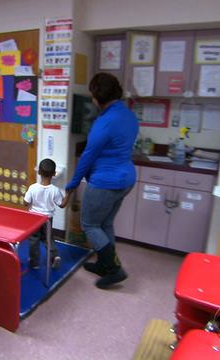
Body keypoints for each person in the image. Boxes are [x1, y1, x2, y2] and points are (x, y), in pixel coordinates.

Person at [65, 72, 138, 289]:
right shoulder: (128, 115)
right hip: (126, 179)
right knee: (104, 223)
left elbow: (87, 157)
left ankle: (114, 269)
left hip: (106, 181)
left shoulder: (103, 122)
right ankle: (104, 265)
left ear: (97, 97)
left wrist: (72, 184)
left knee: (90, 224)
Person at [24, 158, 71, 270]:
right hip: (47, 220)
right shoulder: (55, 190)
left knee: (33, 240)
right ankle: (54, 256)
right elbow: (62, 204)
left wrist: (26, 198)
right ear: (54, 174)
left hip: (34, 219)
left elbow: (26, 203)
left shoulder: (33, 188)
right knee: (48, 238)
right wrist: (69, 194)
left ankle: (34, 263)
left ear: (39, 172)